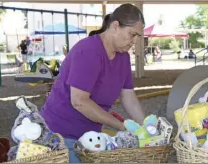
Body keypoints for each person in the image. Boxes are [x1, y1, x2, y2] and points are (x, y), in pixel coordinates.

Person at [41, 3, 146, 163]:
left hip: (91, 136)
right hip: (60, 135)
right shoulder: (88, 51)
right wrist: (122, 126)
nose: (135, 41)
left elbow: (128, 97)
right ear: (116, 26)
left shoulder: (123, 57)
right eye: (132, 34)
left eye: (138, 36)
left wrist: (147, 128)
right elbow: (79, 102)